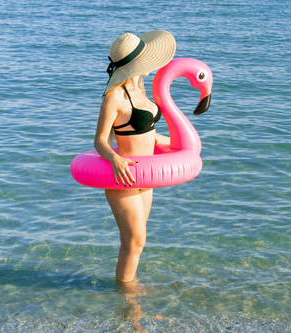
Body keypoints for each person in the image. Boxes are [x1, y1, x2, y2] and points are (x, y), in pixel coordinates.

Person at [94, 30, 176, 283]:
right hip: (124, 178)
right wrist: (114, 158)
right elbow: (99, 141)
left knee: (135, 243)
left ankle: (127, 289)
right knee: (135, 242)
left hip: (145, 178)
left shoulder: (141, 92)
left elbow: (149, 136)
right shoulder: (114, 97)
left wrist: (182, 144)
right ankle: (128, 302)